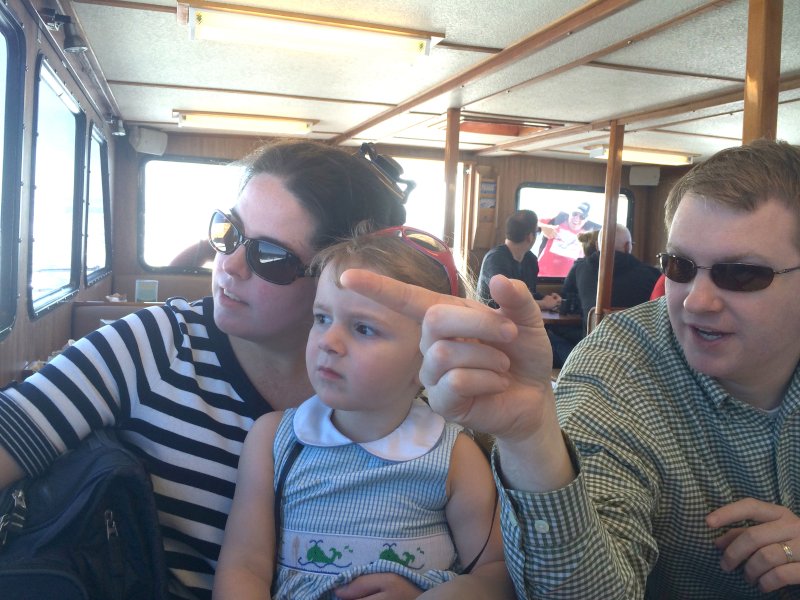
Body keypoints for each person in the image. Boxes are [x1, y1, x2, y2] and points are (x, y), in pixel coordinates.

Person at [341, 139, 800, 598]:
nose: (696, 302)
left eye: (741, 274)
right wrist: (532, 440)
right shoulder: (620, 368)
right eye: (680, 266)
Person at [0, 140, 422, 600]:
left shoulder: (394, 388)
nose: (229, 265)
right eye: (229, 232)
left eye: (270, 256)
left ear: (339, 278)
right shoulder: (158, 344)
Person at [213, 227, 512, 599]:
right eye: (322, 318)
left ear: (433, 355)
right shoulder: (274, 439)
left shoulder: (453, 455)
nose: (329, 341)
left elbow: (495, 573)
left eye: (363, 328)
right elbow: (244, 564)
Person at [561, 223, 660, 327]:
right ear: (628, 246)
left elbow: (566, 296)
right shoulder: (651, 275)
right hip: (635, 337)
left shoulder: (580, 268)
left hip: (592, 337)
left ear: (597, 246)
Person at [477, 209, 561, 312]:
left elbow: (529, 295)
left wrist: (549, 299)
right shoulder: (495, 259)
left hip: (519, 319)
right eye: (537, 231)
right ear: (530, 237)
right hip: (492, 319)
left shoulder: (530, 259)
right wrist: (544, 304)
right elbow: (508, 301)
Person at [536, 201, 601, 277]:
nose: (576, 218)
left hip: (568, 280)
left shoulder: (588, 236)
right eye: (574, 214)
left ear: (586, 220)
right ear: (569, 213)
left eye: (582, 217)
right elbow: (531, 222)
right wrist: (543, 227)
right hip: (541, 277)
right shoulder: (556, 222)